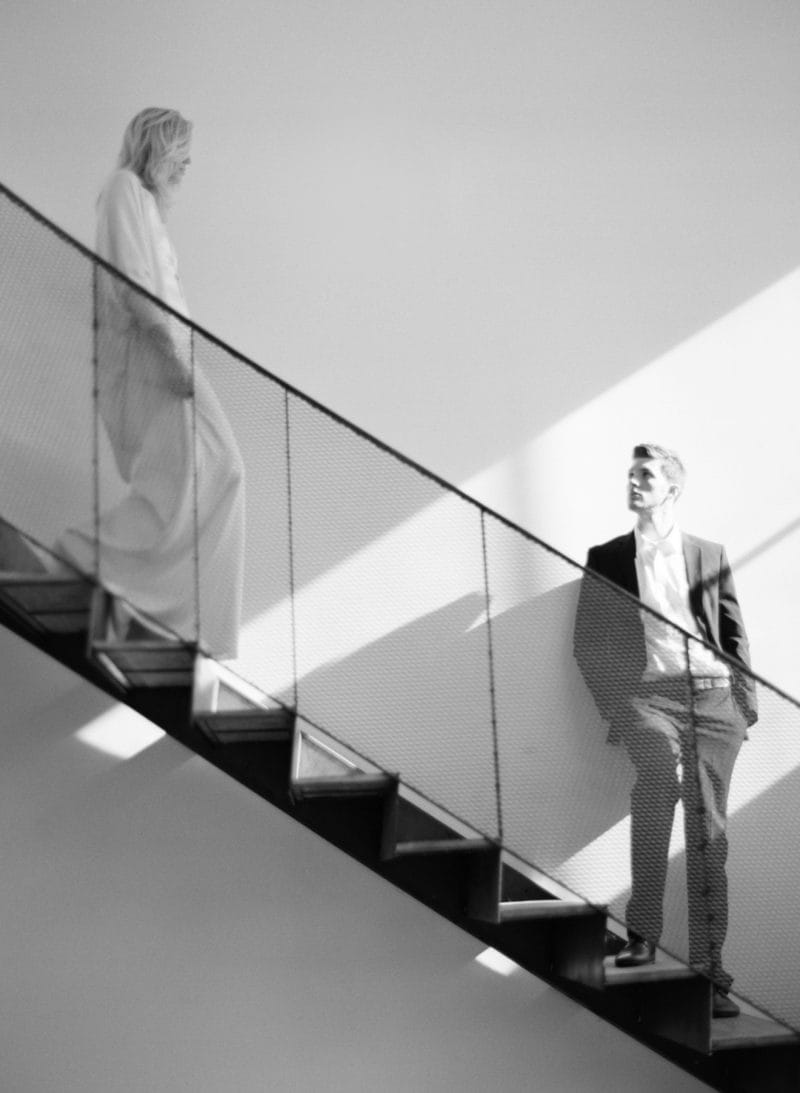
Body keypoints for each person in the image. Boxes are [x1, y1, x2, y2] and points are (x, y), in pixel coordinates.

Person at [573, 443, 757, 1019]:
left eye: (645, 476)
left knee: (710, 837)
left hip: (713, 702)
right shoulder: (606, 557)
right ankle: (642, 934)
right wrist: (617, 705)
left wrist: (742, 707)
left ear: (671, 489)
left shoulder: (709, 553)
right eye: (630, 475)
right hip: (650, 697)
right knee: (657, 782)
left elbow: (734, 635)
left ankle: (711, 975)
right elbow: (588, 642)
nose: (633, 483)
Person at [58, 108, 244, 657]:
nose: (187, 166)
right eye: (179, 153)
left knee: (189, 482)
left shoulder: (146, 208)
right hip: (154, 357)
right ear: (156, 149)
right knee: (219, 467)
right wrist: (170, 358)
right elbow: (133, 283)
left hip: (171, 351)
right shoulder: (123, 189)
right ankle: (84, 554)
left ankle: (181, 619)